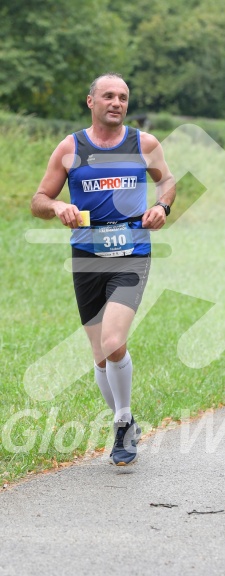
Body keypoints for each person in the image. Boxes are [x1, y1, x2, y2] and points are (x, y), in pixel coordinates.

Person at [31, 72, 176, 466]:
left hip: (132, 252)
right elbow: (39, 198)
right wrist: (58, 206)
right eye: (108, 95)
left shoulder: (143, 143)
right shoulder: (70, 147)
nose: (117, 102)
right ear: (90, 102)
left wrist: (162, 206)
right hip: (87, 256)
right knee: (99, 355)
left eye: (123, 97)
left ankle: (123, 422)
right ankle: (124, 421)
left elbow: (167, 183)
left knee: (113, 340)